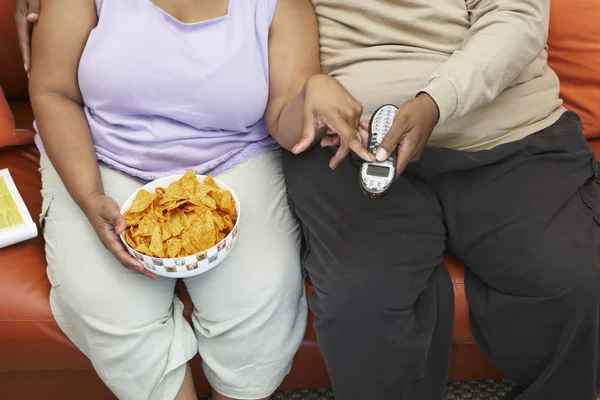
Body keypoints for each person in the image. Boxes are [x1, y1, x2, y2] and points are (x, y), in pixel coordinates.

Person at [17, 1, 600, 400]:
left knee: (578, 279)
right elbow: (58, 80)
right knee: (361, 295)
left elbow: (516, 21)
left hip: (496, 126)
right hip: (346, 138)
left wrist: (429, 100)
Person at [15, 0, 369, 399]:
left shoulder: (282, 6)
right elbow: (53, 91)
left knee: (261, 298)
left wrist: (312, 96)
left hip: (234, 155)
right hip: (99, 155)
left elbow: (284, 122)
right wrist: (89, 194)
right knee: (104, 305)